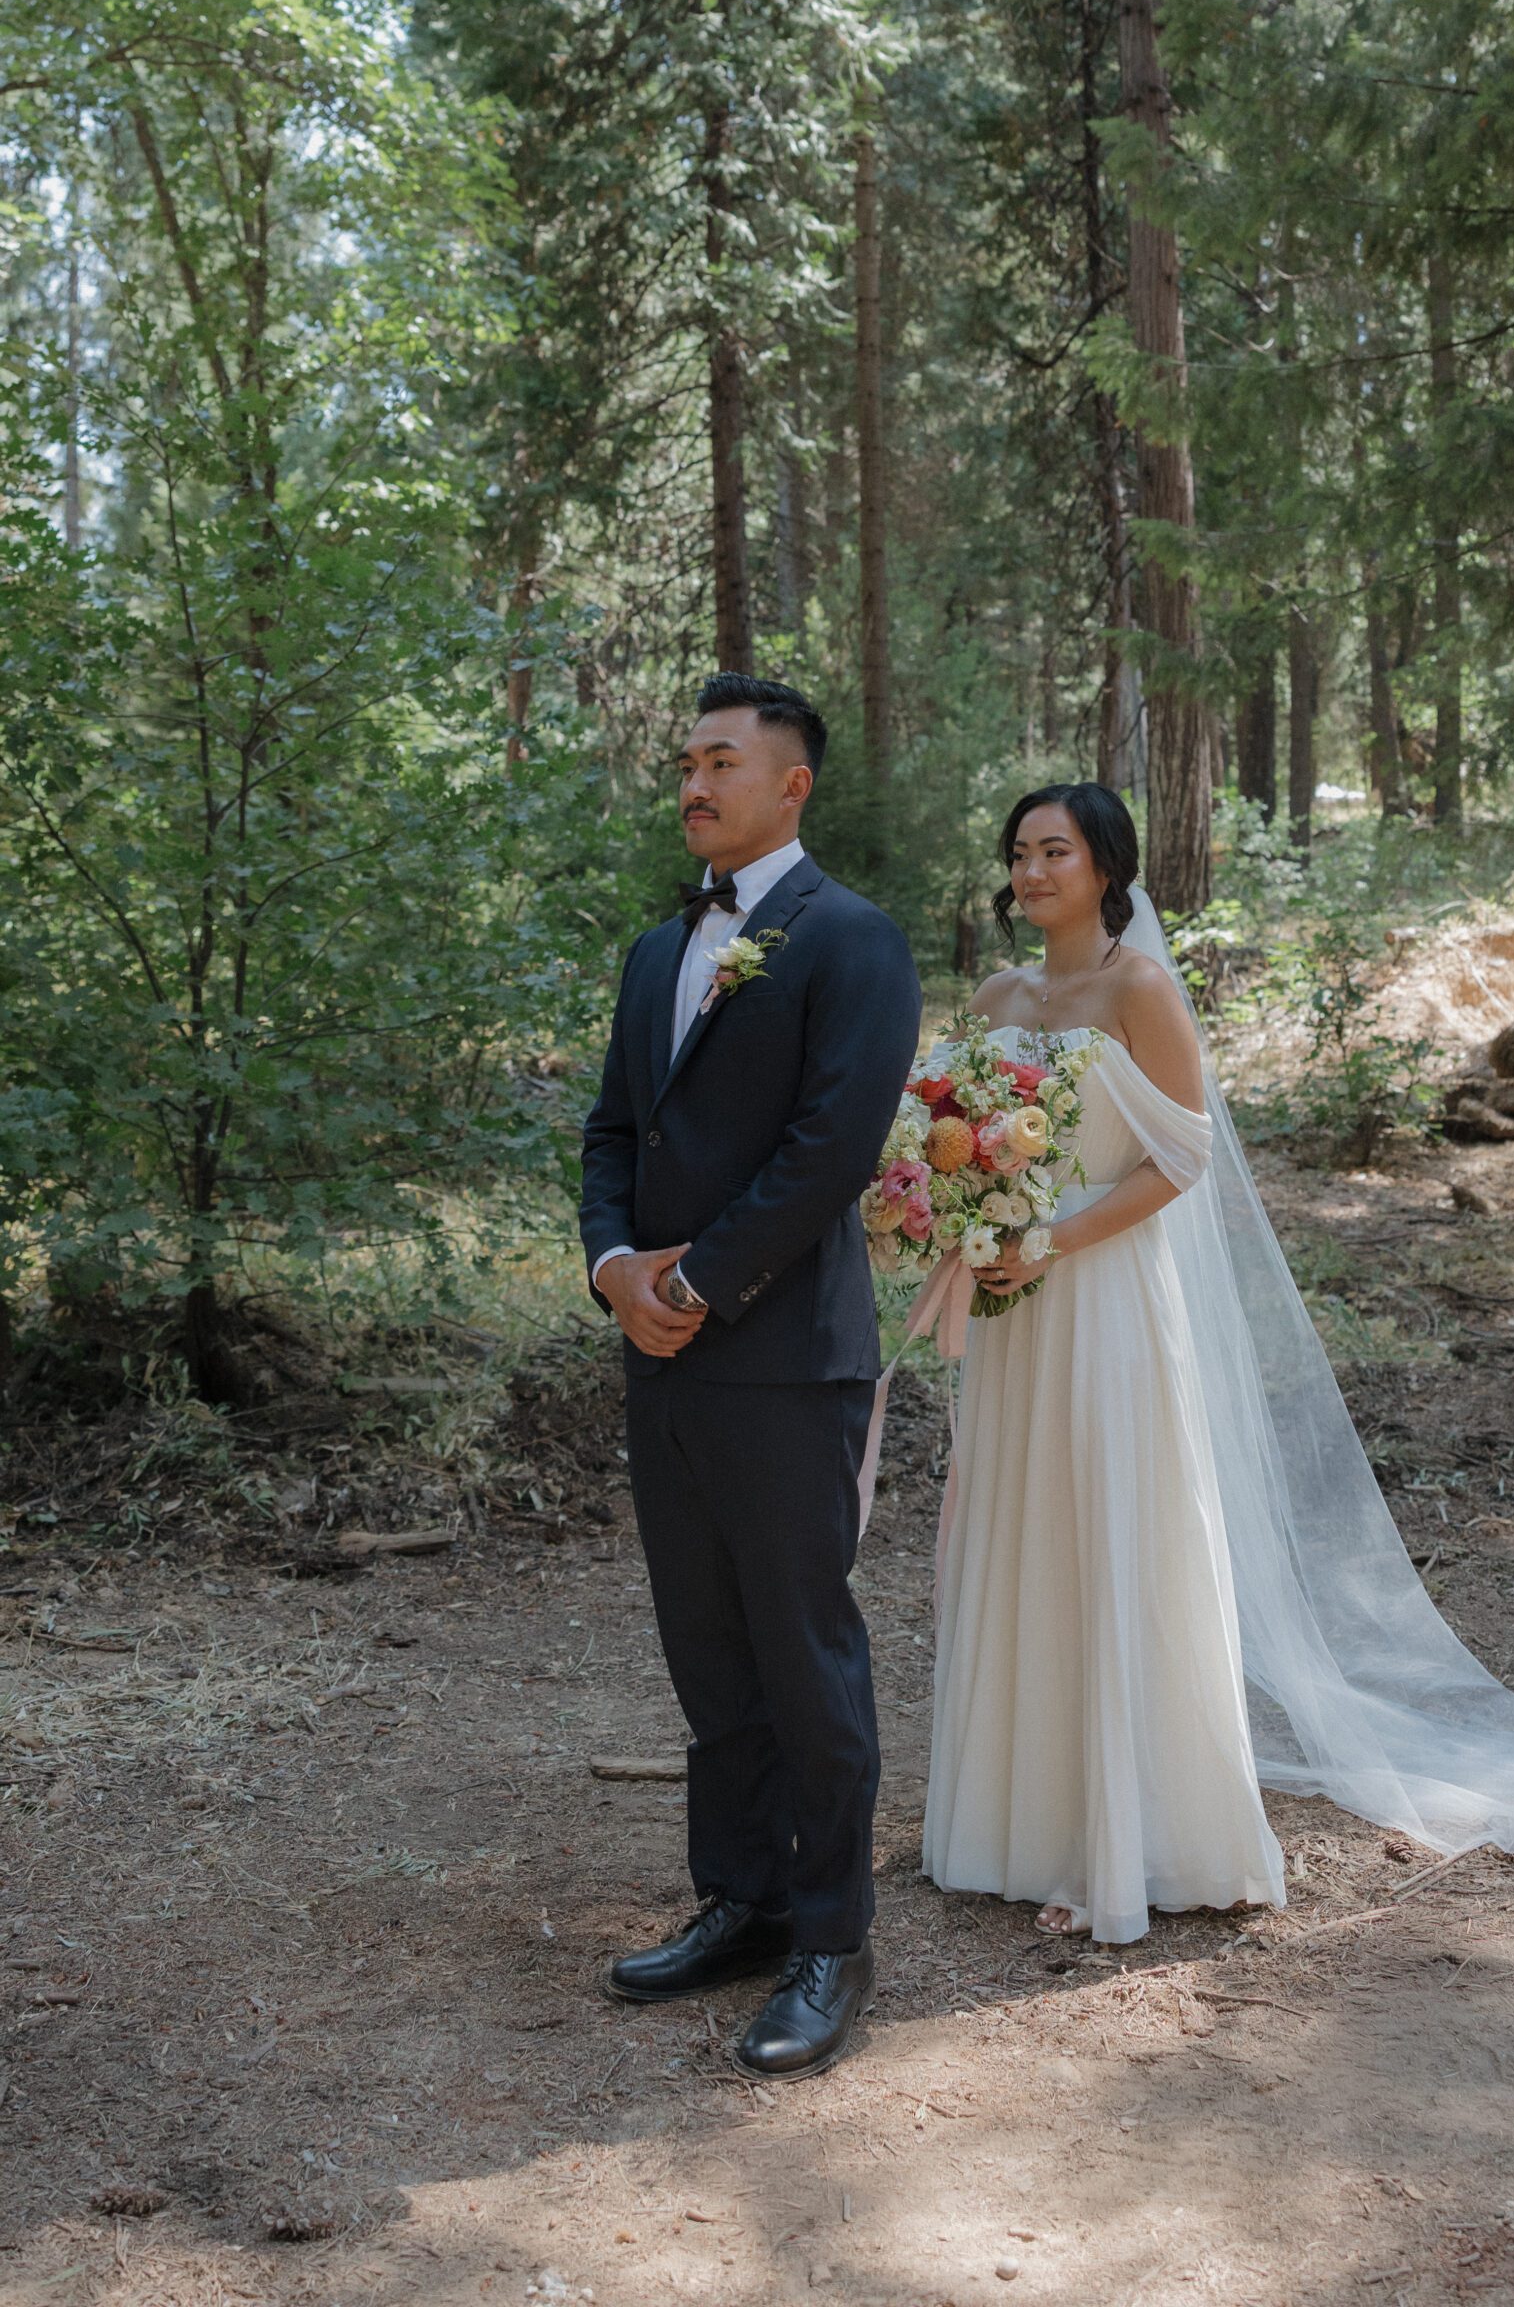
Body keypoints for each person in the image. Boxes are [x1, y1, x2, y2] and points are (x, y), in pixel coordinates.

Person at [923, 782, 1514, 1945]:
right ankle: (1012, 1821)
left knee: (1110, 1529)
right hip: (1011, 1306)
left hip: (1106, 1295)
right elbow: (956, 1135)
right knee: (1020, 1525)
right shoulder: (995, 996)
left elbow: (1181, 1156)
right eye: (1019, 852)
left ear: (1104, 867)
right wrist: (960, 1215)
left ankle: (1128, 1833)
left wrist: (1054, 1236)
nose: (1031, 871)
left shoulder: (1139, 990)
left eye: (1055, 851)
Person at [580, 672, 920, 2077]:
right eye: (686, 761)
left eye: (721, 760)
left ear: (792, 783)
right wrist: (615, 1271)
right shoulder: (658, 948)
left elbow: (831, 1149)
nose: (693, 782)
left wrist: (698, 1283)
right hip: (660, 1359)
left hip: (783, 1357)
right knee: (707, 1649)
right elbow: (614, 1133)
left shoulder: (853, 940)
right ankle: (744, 1898)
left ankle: (833, 1938)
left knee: (800, 1648)